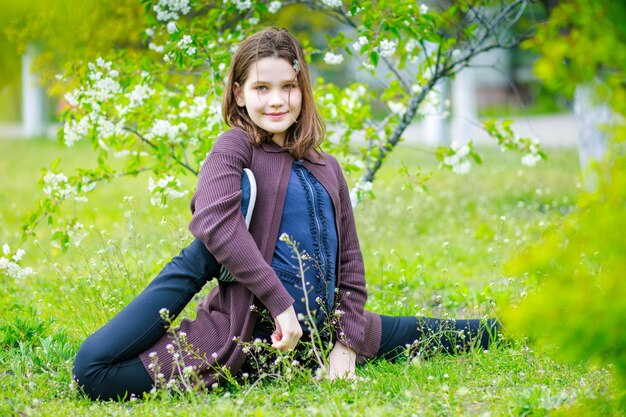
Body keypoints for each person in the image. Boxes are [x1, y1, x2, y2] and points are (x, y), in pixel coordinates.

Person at [72, 27, 498, 401]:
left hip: (322, 336)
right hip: (241, 338)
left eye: (288, 87)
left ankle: (535, 323)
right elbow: (214, 221)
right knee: (93, 370)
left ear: (303, 89)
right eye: (261, 88)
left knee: (456, 334)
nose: (277, 100)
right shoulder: (234, 147)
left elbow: (349, 261)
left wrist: (345, 347)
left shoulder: (327, 166)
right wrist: (280, 304)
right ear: (239, 93)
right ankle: (208, 262)